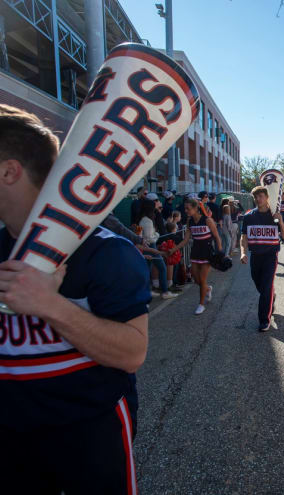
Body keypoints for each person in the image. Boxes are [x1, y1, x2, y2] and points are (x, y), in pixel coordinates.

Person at [0, 104, 150, 493]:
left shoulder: (106, 251)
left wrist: (48, 304)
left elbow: (132, 353)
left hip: (91, 437)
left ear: (8, 171)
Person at [240, 186, 284, 331]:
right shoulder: (249, 216)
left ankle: (264, 320)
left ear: (267, 197)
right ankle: (271, 297)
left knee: (266, 287)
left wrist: (280, 222)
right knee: (260, 286)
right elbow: (244, 237)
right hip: (255, 256)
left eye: (261, 196)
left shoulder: (275, 215)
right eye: (256, 197)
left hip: (270, 256)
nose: (258, 199)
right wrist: (243, 252)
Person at [170, 198, 224, 315]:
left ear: (196, 208)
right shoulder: (190, 222)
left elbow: (216, 236)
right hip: (195, 251)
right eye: (185, 208)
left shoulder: (207, 220)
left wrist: (220, 251)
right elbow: (185, 240)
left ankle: (201, 304)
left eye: (188, 208)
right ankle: (208, 289)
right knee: (196, 279)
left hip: (207, 251)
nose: (186, 211)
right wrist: (173, 249)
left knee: (203, 279)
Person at [139, 200, 179, 300]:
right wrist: (157, 234)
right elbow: (150, 238)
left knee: (148, 269)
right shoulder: (147, 221)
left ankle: (148, 290)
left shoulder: (144, 219)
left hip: (147, 246)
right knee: (162, 268)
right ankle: (165, 291)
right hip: (150, 246)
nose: (156, 210)